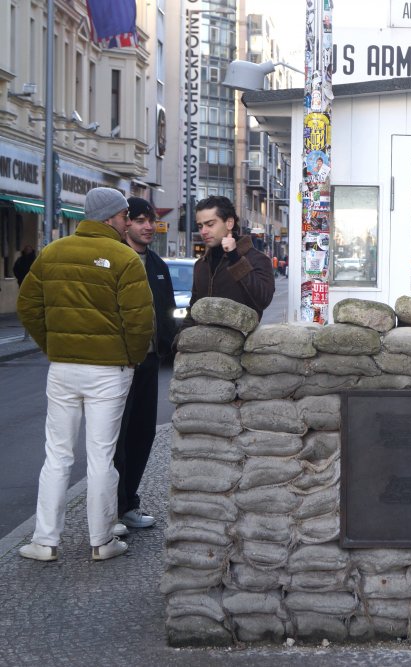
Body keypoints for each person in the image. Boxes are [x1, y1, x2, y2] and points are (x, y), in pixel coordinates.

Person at [16, 187, 153, 562]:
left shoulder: (52, 253)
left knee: (57, 455)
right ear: (109, 217)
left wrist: (53, 346)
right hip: (109, 370)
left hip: (63, 368)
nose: (128, 220)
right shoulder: (125, 258)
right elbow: (140, 321)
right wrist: (131, 358)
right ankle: (102, 540)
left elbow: (28, 306)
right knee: (101, 457)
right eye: (125, 215)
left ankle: (45, 541)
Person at [112, 198, 177, 534]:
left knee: (142, 433)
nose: (148, 226)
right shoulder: (113, 259)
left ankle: (128, 505)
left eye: (150, 220)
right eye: (140, 220)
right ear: (126, 223)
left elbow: (167, 310)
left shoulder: (156, 264)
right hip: (119, 363)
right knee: (115, 439)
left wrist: (167, 344)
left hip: (149, 362)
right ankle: (112, 508)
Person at [182, 195, 275, 330]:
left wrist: (235, 258)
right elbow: (193, 309)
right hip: (202, 342)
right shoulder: (201, 264)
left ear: (229, 223)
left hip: (240, 341)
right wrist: (180, 338)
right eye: (200, 226)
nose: (203, 231)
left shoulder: (257, 259)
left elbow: (263, 300)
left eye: (210, 224)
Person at [13, 245, 37, 340]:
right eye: (26, 249)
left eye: (29, 249)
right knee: (25, 307)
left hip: (33, 286)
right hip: (22, 284)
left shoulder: (35, 260)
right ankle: (27, 332)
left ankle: (29, 332)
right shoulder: (20, 260)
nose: (27, 251)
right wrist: (20, 278)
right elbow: (15, 269)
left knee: (30, 308)